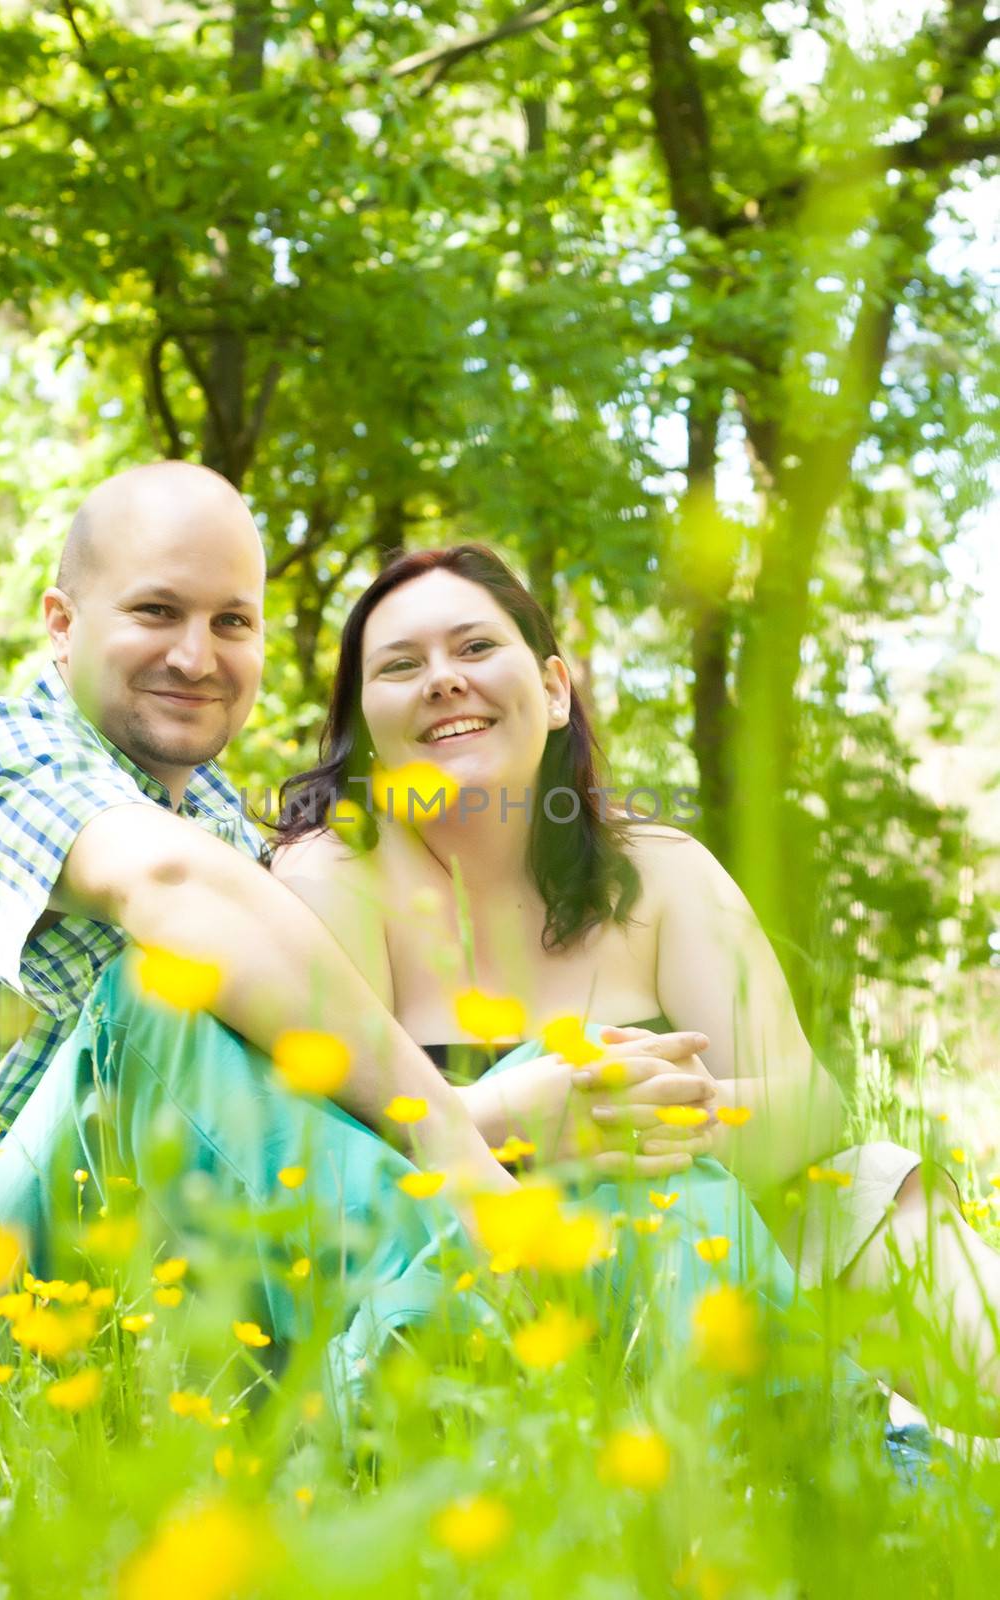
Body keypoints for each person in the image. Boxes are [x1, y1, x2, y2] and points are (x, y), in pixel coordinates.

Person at [269, 543, 1000, 1418]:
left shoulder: (659, 869)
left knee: (879, 1192)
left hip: (715, 1235)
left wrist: (631, 1121)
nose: (442, 680)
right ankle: (868, 1447)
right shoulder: (329, 877)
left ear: (551, 691)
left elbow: (808, 1106)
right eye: (400, 666)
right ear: (365, 724)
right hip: (472, 1266)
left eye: (473, 648)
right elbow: (307, 1162)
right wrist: (523, 1121)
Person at [0, 465, 516, 1381]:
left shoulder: (218, 820)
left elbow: (294, 1082)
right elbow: (166, 886)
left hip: (154, 1278)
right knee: (157, 994)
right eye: (156, 612)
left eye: (231, 622)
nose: (197, 658)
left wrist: (497, 1112)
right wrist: (457, 1143)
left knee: (567, 1070)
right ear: (61, 623)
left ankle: (768, 1406)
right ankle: (481, 1342)